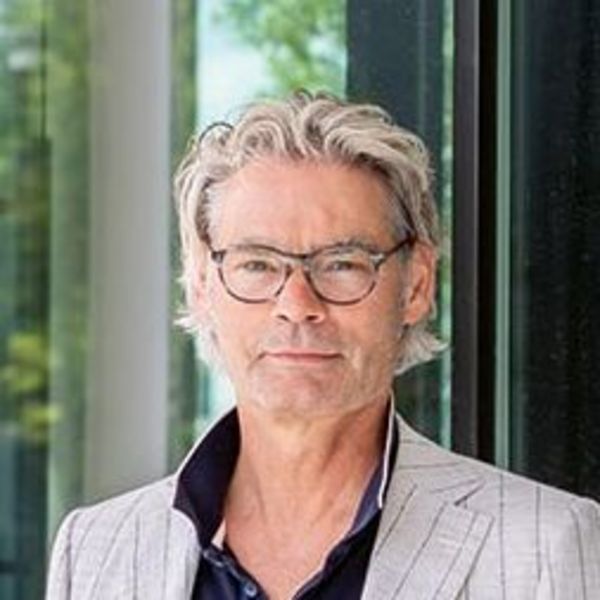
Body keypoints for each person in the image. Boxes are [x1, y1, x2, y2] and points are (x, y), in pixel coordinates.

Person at [46, 92, 600, 600]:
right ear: (201, 286)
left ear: (416, 285)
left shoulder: (542, 547)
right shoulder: (94, 550)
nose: (297, 304)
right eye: (257, 265)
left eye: (341, 264)